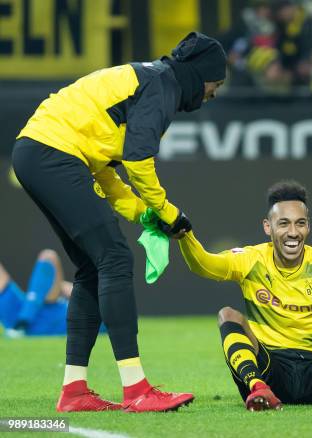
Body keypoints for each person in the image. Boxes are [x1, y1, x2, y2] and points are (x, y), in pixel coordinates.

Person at [12, 32, 226, 413]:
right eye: (216, 83)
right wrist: (167, 211)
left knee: (93, 269)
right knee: (115, 259)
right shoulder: (163, 84)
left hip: (39, 151)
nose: (213, 93)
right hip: (53, 154)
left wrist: (144, 214)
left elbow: (108, 177)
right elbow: (139, 162)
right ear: (202, 73)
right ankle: (137, 389)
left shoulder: (148, 80)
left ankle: (74, 390)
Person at [178, 181, 312, 410]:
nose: (293, 232)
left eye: (300, 223)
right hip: (269, 371)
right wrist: (185, 237)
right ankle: (257, 388)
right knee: (228, 315)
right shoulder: (250, 259)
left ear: (308, 227)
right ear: (268, 227)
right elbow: (203, 265)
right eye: (283, 224)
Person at [0, 250, 71, 338]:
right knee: (48, 256)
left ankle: (22, 322)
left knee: (49, 256)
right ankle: (22, 322)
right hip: (25, 311)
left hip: (51, 316)